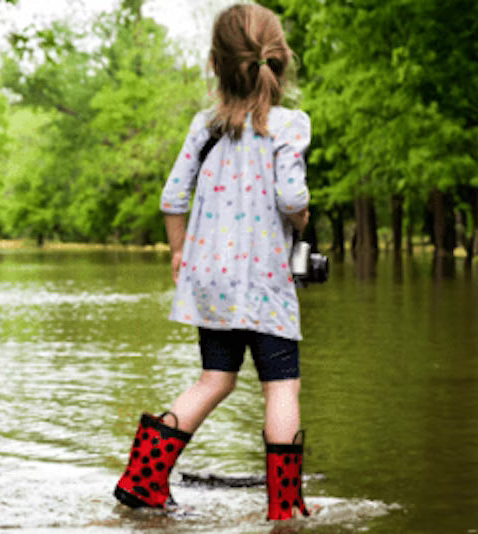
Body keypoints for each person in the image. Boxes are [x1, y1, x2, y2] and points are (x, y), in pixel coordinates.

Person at [112, 3, 313, 522]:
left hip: (212, 280)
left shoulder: (205, 127)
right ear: (279, 60)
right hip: (265, 282)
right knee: (282, 386)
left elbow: (172, 198)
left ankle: (143, 480)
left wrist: (180, 251)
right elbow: (292, 199)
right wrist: (303, 220)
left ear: (215, 64)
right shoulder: (289, 125)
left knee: (215, 379)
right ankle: (285, 507)